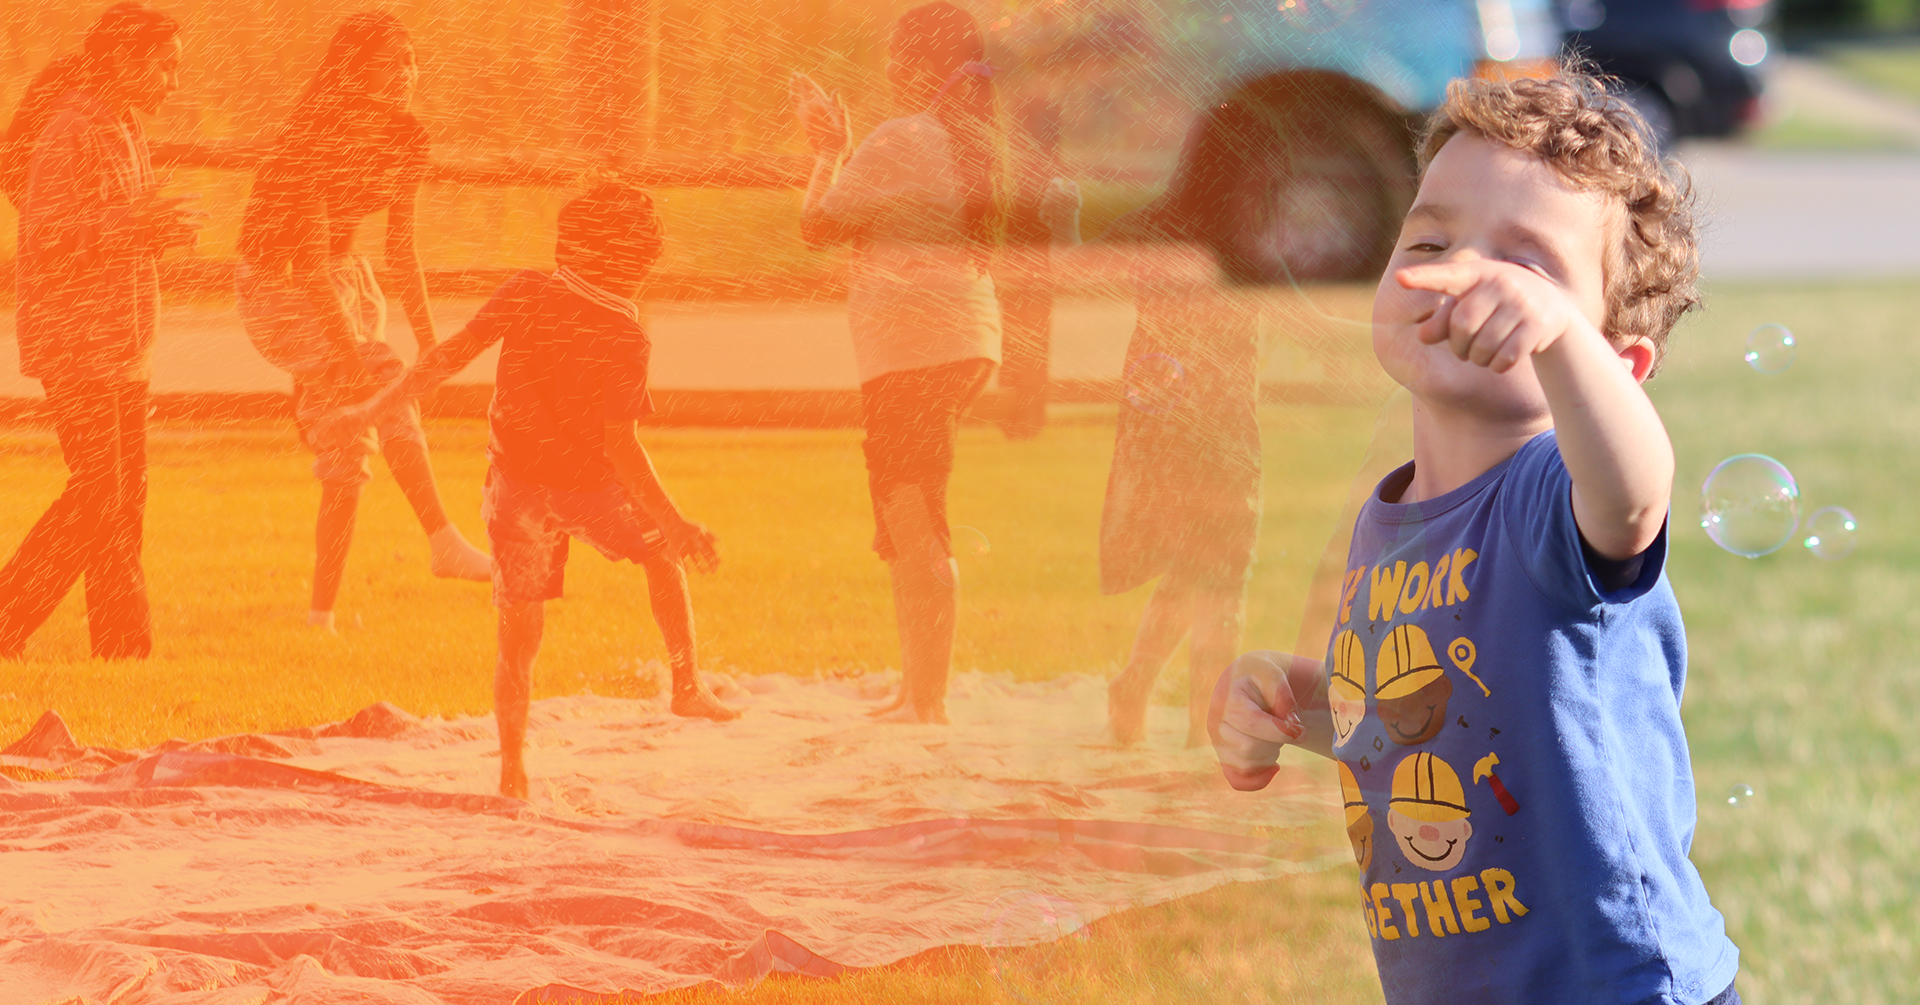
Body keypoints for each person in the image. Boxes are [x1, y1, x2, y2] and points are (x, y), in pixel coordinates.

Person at [1207, 70, 1742, 1003]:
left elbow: (1635, 490)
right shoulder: (1393, 516)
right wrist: (1293, 696)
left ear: (1620, 364)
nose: (1467, 276)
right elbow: (1423, 728)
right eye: (1431, 239)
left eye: (1527, 269)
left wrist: (1556, 342)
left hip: (1613, 985)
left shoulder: (1556, 494)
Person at [321, 184, 739, 799]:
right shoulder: (625, 334)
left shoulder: (527, 291)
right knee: (661, 553)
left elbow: (449, 357)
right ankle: (686, 684)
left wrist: (371, 409)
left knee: (518, 642)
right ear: (635, 261)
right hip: (594, 493)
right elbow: (621, 447)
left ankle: (512, 769)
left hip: (517, 492)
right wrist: (674, 521)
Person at [236, 11, 490, 633]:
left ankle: (320, 618)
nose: (407, 74)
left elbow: (402, 249)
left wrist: (434, 346)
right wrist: (359, 367)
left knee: (348, 446)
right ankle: (442, 540)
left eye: (412, 60)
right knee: (379, 379)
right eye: (392, 61)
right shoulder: (311, 139)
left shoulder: (407, 137)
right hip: (280, 287)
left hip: (347, 280)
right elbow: (310, 267)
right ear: (354, 68)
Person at [790, 1, 1003, 724]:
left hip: (911, 354)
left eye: (893, 56)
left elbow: (817, 226)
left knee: (914, 521)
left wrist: (826, 148)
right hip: (962, 344)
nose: (884, 68)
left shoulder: (901, 137)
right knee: (908, 514)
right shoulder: (965, 138)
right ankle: (916, 689)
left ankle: (929, 702)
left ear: (917, 67)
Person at [1083, 96, 1288, 748]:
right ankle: (1203, 729)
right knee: (1225, 571)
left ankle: (1138, 684)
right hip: (1211, 422)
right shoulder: (1235, 224)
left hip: (1183, 420)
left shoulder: (1164, 219)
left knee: (1201, 567)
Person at [0, 3, 198, 659]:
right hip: (76, 343)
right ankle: (6, 620)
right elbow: (48, 239)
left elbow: (116, 228)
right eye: (164, 65)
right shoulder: (69, 131)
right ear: (120, 59)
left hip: (121, 345)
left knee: (122, 502)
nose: (173, 80)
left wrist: (159, 234)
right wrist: (133, 225)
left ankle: (123, 650)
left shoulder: (124, 126)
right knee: (98, 496)